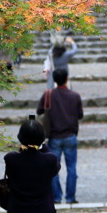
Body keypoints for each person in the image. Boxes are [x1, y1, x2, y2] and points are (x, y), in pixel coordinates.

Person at [36, 68, 83, 204]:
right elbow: (80, 115)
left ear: (54, 80)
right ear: (67, 78)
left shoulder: (48, 94)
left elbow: (39, 111)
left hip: (54, 137)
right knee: (71, 168)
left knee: (53, 169)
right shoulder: (75, 95)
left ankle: (56, 197)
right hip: (70, 135)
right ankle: (70, 197)